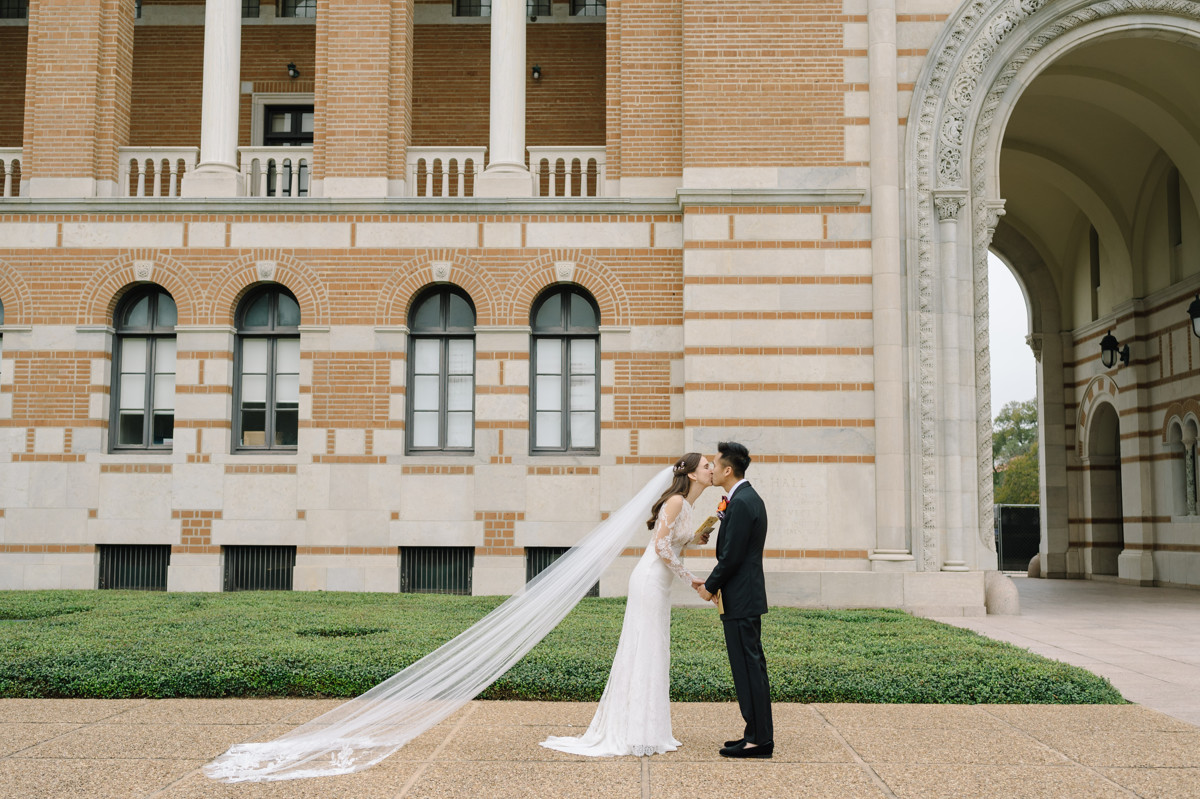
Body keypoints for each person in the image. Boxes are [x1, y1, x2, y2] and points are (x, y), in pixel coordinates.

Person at [541, 452, 715, 757]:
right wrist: (691, 579)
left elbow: (673, 540)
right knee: (645, 649)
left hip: (660, 583)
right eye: (706, 466)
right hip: (649, 579)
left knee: (654, 650)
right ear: (691, 474)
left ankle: (648, 729)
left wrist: (694, 538)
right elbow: (660, 545)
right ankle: (635, 732)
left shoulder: (688, 504)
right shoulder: (675, 501)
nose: (711, 469)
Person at [693, 441, 773, 758]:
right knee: (749, 668)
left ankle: (759, 740)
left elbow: (731, 558)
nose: (711, 469)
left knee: (748, 669)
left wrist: (708, 587)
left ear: (729, 469)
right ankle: (754, 733)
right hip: (742, 597)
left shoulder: (742, 502)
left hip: (741, 598)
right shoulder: (740, 498)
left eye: (715, 464)